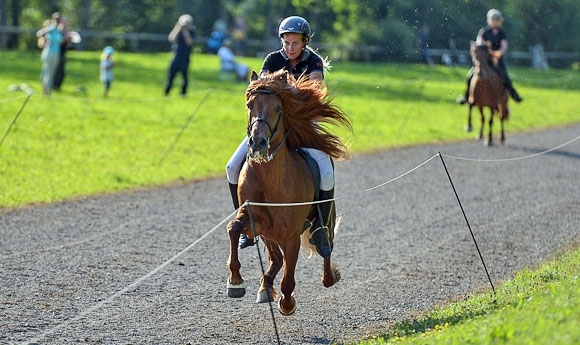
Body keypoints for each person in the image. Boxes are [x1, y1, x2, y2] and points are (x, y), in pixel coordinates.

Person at [225, 16, 335, 258]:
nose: (290, 48)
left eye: (295, 43)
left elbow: (313, 90)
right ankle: (245, 223)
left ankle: (320, 227)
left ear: (305, 42)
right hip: (270, 126)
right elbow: (264, 87)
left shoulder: (314, 62)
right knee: (232, 167)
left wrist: (283, 89)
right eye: (286, 42)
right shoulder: (273, 59)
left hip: (303, 128)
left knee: (326, 170)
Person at [457, 9, 523, 105]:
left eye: (496, 19)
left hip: (497, 60)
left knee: (505, 76)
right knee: (470, 76)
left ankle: (513, 94)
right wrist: (488, 52)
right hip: (485, 60)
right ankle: (467, 96)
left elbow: (503, 47)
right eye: (493, 19)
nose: (494, 21)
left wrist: (495, 54)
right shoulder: (484, 32)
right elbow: (479, 44)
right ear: (489, 20)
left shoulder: (502, 33)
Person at [164, 14, 196, 96]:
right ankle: (166, 92)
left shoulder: (191, 31)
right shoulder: (178, 30)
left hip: (185, 57)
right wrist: (178, 28)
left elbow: (189, 43)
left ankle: (183, 94)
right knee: (170, 76)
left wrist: (186, 32)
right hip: (176, 56)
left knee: (184, 77)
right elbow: (171, 38)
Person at [36, 12, 64, 96]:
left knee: (50, 73)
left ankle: (46, 91)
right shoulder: (51, 28)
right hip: (49, 52)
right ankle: (47, 93)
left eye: (59, 19)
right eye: (56, 18)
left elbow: (60, 41)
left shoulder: (59, 30)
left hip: (56, 53)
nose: (57, 20)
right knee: (47, 73)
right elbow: (39, 33)